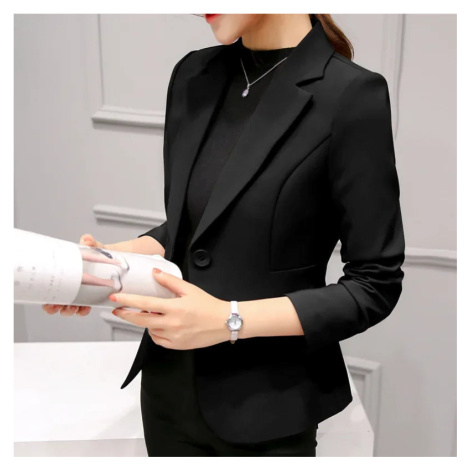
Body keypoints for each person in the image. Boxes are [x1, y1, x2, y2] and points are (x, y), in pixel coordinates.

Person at [43, 14, 405, 457]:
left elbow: (375, 283)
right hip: (168, 392)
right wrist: (107, 262)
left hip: (268, 409)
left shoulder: (351, 95)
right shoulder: (193, 74)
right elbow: (193, 228)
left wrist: (229, 320)